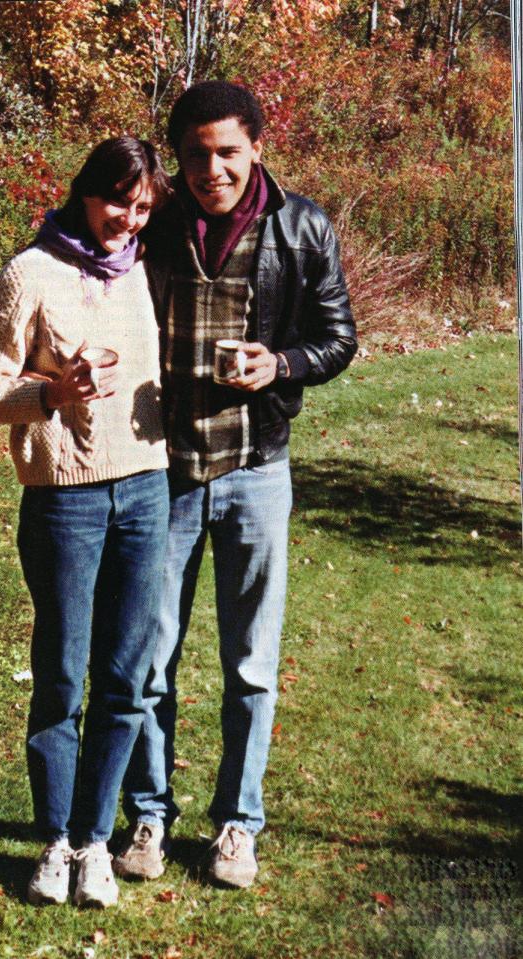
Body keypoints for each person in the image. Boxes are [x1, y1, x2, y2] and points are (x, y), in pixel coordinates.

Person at [114, 82, 358, 888]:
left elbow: (336, 336)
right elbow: (82, 246)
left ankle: (236, 825)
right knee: (150, 658)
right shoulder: (155, 220)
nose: (211, 169)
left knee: (251, 663)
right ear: (175, 156)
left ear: (257, 143)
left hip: (257, 468)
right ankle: (147, 816)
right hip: (163, 470)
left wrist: (280, 363)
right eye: (194, 153)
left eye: (226, 151)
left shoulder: (302, 225)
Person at [0, 137, 172, 908]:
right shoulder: (30, 272)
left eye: (144, 207)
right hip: (64, 501)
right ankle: (54, 838)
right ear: (85, 191)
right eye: (118, 200)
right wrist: (49, 394)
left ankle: (94, 841)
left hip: (147, 491)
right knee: (60, 676)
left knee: (124, 679)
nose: (128, 219)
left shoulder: (152, 268)